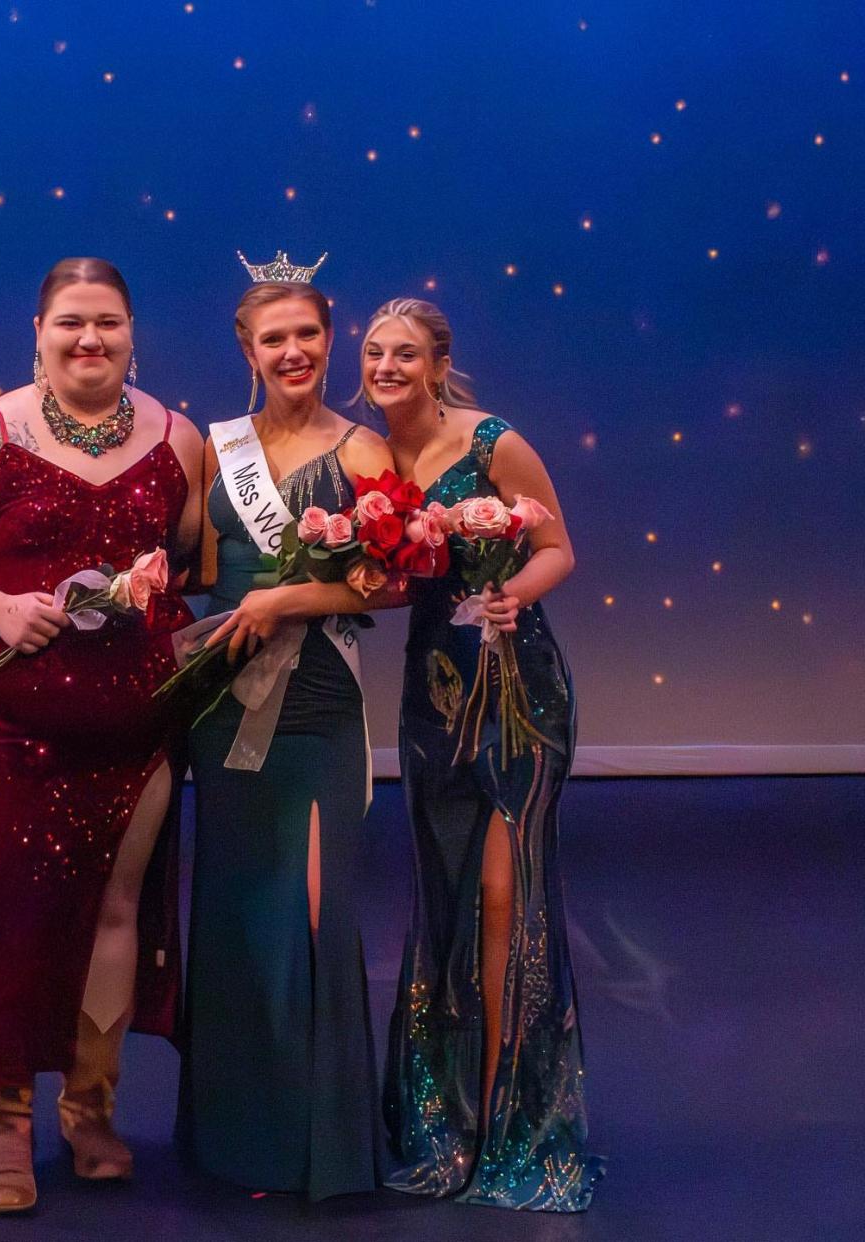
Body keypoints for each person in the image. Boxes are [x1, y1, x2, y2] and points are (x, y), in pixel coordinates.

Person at [0, 257, 203, 1213]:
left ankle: (91, 1105)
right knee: (14, 907)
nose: (89, 340)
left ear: (132, 331)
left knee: (119, 907)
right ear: (36, 331)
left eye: (107, 322)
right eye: (70, 322)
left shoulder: (178, 436)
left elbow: (187, 561)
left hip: (137, 720)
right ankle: (5, 1123)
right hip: (4, 720)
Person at [363, 299, 604, 1210]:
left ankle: (516, 1126)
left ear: (439, 362)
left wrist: (511, 596)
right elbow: (395, 582)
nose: (387, 366)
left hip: (514, 688)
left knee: (506, 898)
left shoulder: (494, 441)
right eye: (376, 352)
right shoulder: (372, 456)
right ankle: (446, 1119)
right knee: (447, 898)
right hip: (433, 694)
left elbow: (557, 549)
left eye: (405, 354)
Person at [175, 262, 396, 1200]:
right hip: (225, 701)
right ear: (247, 351)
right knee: (236, 914)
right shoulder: (215, 448)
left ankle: (321, 1148)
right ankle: (239, 1144)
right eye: (275, 339)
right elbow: (200, 566)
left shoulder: (366, 454)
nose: (294, 351)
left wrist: (295, 594)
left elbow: (390, 582)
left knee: (309, 906)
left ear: (329, 339)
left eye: (307, 334)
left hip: (313, 702)